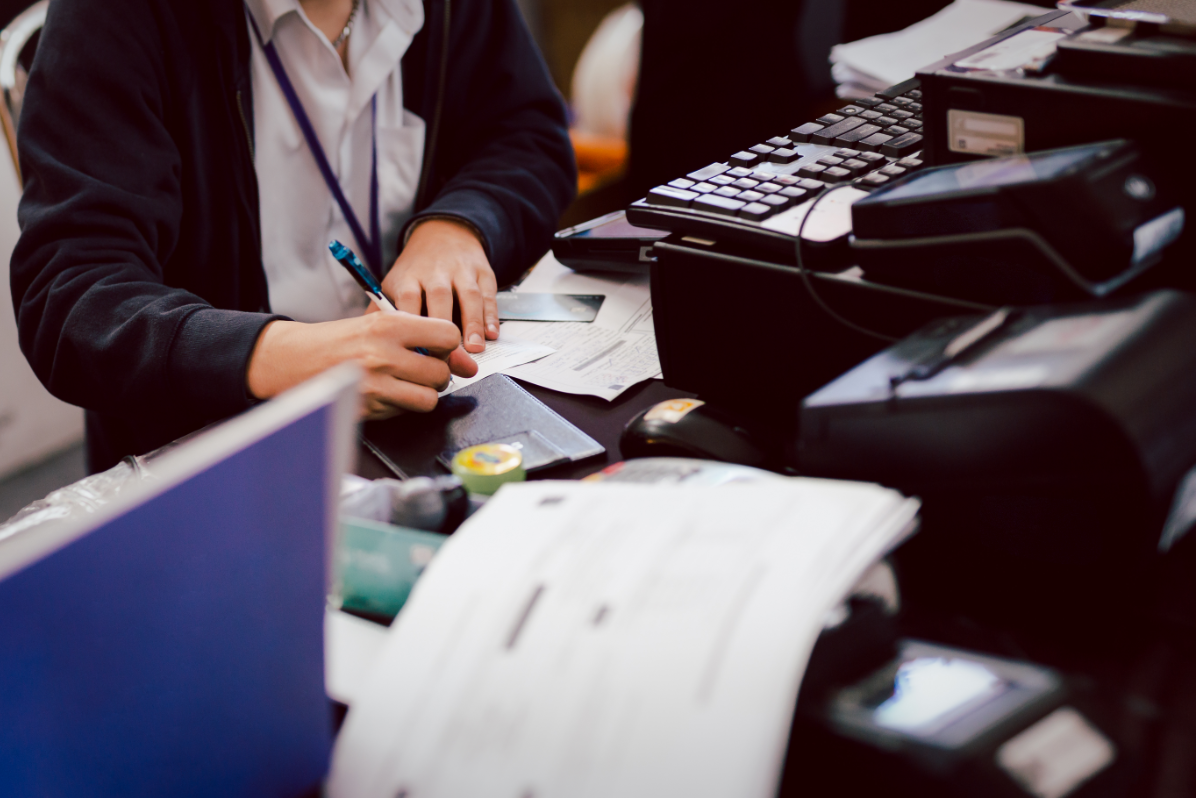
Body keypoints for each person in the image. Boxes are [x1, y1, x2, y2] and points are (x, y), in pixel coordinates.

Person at [10, 0, 575, 473]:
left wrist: (457, 225)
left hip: (428, 412)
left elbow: (527, 136)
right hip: (217, 454)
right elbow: (72, 298)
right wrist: (278, 357)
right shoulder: (118, 16)